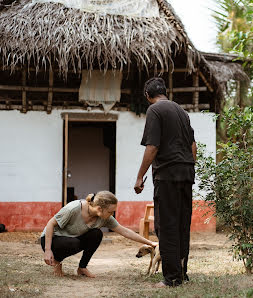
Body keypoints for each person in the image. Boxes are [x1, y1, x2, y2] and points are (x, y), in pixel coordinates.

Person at [134, 77, 197, 288]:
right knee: (181, 224)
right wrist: (187, 165)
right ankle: (181, 272)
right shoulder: (182, 112)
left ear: (147, 95)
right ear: (165, 92)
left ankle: (171, 279)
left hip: (167, 175)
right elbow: (192, 146)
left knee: (166, 225)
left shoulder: (155, 110)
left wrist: (139, 176)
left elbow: (152, 147)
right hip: (186, 173)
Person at [41, 190, 158, 278]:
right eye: (110, 211)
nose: (112, 214)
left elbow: (125, 231)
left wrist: (150, 242)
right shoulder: (74, 208)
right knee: (73, 243)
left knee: (96, 234)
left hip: (72, 239)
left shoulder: (105, 218)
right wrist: (47, 250)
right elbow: (51, 223)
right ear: (99, 208)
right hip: (52, 239)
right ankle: (57, 261)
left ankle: (82, 268)